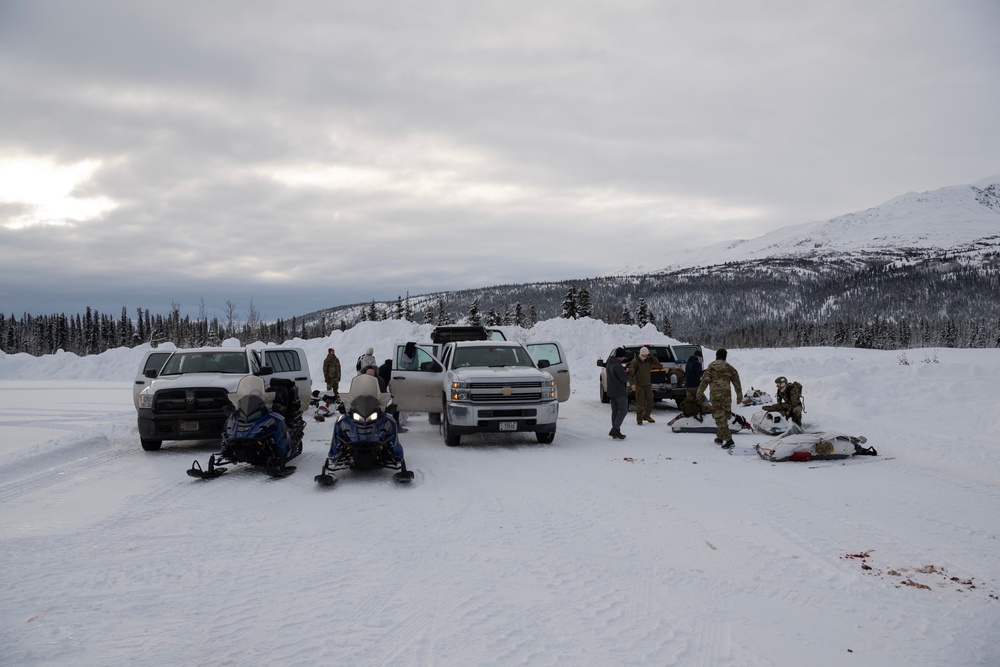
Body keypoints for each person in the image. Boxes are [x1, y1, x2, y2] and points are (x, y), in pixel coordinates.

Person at [696, 348, 743, 448]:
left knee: (719, 418)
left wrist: (699, 393)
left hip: (715, 396)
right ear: (725, 356)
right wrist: (739, 396)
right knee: (724, 417)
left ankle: (729, 440)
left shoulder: (711, 367)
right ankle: (720, 438)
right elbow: (737, 382)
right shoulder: (730, 368)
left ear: (716, 355)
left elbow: (704, 381)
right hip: (726, 397)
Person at [361, 363, 407, 432]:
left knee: (386, 420)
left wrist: (382, 403)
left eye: (371, 376)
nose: (369, 378)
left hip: (376, 404)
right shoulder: (361, 380)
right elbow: (356, 391)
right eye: (367, 375)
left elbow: (383, 394)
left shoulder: (380, 381)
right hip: (362, 404)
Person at [627, 346, 661, 425]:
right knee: (640, 402)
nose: (646, 356)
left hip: (647, 384)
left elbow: (657, 363)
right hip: (639, 385)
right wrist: (632, 384)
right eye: (644, 355)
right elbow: (630, 374)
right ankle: (639, 419)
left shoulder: (648, 360)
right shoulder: (635, 361)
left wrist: (652, 356)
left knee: (650, 401)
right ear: (641, 354)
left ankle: (646, 416)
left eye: (647, 355)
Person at [679, 349, 710, 419]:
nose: (700, 359)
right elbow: (699, 374)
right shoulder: (696, 363)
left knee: (690, 401)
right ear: (698, 356)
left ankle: (690, 413)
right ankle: (706, 413)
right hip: (695, 386)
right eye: (700, 358)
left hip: (688, 385)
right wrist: (707, 371)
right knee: (702, 400)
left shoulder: (688, 362)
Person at [606, 348, 629, 440]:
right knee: (623, 411)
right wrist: (629, 373)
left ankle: (615, 430)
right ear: (621, 356)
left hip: (611, 391)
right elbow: (624, 378)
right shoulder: (618, 366)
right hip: (620, 391)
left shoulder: (609, 364)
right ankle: (615, 429)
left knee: (615, 411)